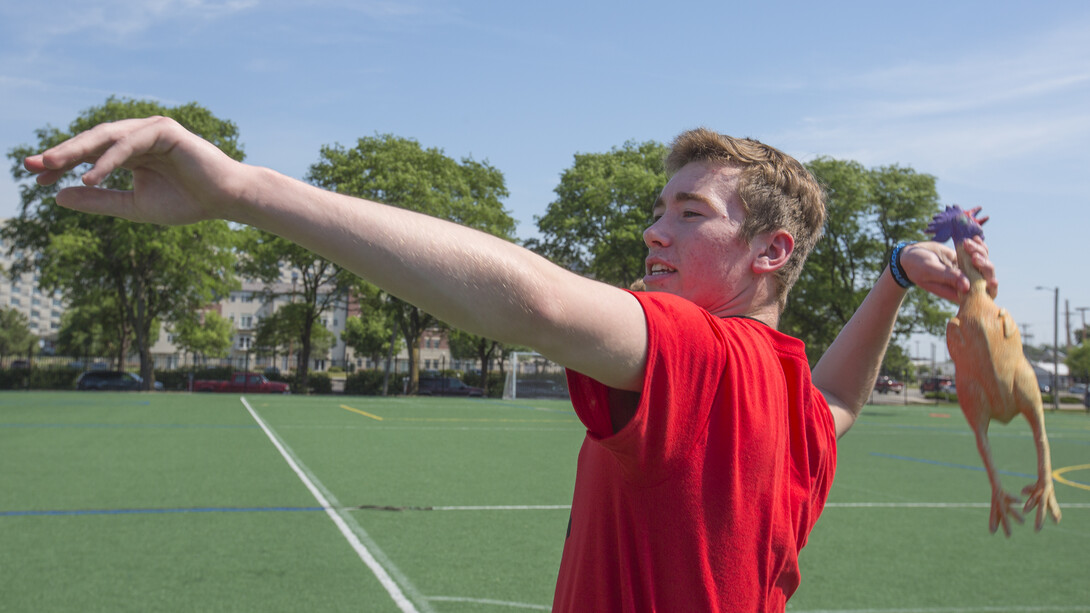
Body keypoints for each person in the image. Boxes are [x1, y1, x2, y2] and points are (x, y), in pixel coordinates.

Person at [24, 119, 993, 611]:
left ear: (771, 252)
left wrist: (243, 188)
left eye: (689, 213)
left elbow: (531, 298)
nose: (654, 231)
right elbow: (837, 404)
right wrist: (894, 276)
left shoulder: (705, 351)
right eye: (659, 209)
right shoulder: (785, 386)